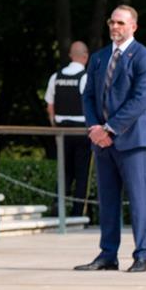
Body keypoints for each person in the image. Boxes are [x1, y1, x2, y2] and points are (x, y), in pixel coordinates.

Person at [76, 5, 146, 274]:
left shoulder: (145, 58)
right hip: (101, 141)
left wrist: (109, 129)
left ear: (133, 26)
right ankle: (108, 254)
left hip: (132, 141)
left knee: (137, 199)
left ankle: (142, 255)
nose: (115, 27)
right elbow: (88, 95)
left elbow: (140, 100)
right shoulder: (99, 58)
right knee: (108, 200)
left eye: (121, 23)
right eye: (112, 22)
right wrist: (94, 128)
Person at [44, 41, 92, 219]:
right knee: (82, 173)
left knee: (64, 171)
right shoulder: (85, 77)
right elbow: (90, 105)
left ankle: (59, 209)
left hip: (61, 131)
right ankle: (78, 213)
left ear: (71, 56)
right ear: (85, 57)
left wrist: (55, 126)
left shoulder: (55, 77)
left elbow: (50, 106)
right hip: (81, 131)